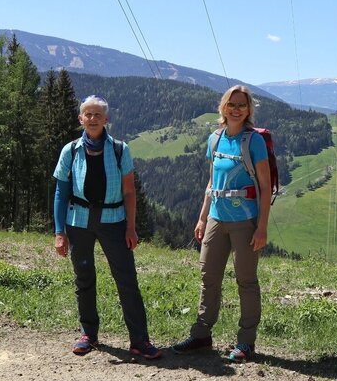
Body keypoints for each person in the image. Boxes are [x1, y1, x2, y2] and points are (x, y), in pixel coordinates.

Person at [52, 95, 162, 360]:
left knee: (127, 280)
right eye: (87, 114)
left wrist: (132, 228)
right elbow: (60, 192)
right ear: (80, 119)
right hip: (78, 222)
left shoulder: (120, 150)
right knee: (84, 278)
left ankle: (140, 340)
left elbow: (129, 192)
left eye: (97, 115)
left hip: (114, 223)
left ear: (106, 119)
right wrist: (59, 232)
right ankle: (88, 334)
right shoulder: (70, 150)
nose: (92, 119)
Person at [172, 85, 271, 362]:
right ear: (223, 107)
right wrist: (203, 216)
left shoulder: (254, 142)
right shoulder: (215, 139)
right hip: (217, 217)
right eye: (232, 104)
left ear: (249, 110)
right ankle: (202, 334)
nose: (236, 109)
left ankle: (246, 342)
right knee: (208, 277)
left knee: (246, 280)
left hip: (245, 221)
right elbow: (212, 182)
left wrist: (262, 227)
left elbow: (266, 186)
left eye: (242, 105)